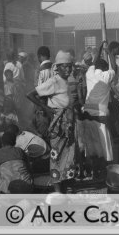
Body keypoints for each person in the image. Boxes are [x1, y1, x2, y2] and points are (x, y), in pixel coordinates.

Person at [27, 51, 77, 192]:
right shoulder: (53, 81)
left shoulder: (67, 81)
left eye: (70, 66)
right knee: (56, 155)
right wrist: (47, 109)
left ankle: (66, 183)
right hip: (59, 124)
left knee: (69, 155)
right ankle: (57, 188)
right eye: (64, 67)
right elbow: (30, 94)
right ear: (58, 67)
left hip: (68, 122)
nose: (68, 69)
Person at [80, 41, 119, 175]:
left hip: (87, 114)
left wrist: (101, 48)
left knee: (91, 145)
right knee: (104, 145)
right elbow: (114, 67)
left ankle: (92, 171)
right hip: (101, 114)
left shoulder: (89, 74)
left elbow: (94, 61)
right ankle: (102, 171)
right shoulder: (106, 76)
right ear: (104, 68)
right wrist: (109, 53)